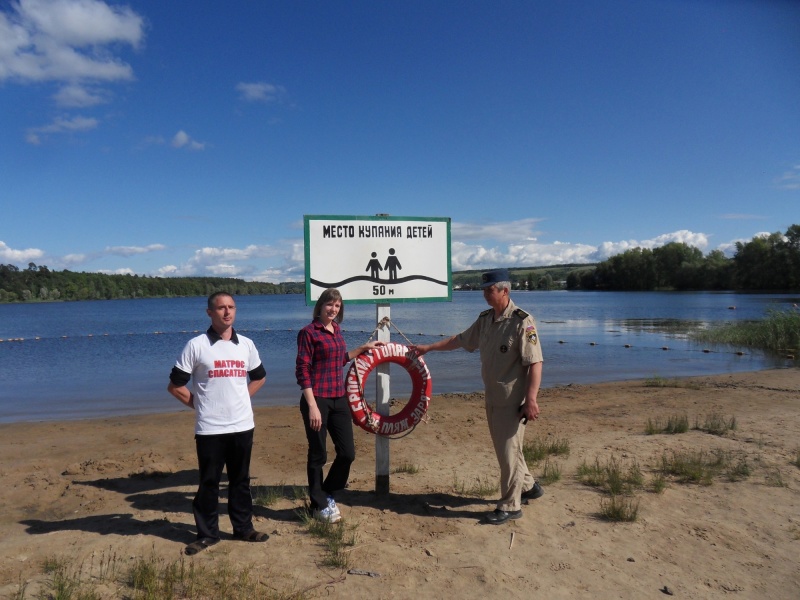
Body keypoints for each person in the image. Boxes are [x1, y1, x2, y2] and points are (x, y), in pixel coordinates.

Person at [412, 268, 544, 525]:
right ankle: (529, 486)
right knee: (508, 448)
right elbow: (459, 340)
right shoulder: (485, 319)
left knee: (508, 452)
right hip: (493, 396)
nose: (484, 294)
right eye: (484, 289)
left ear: (504, 291)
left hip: (512, 400)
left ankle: (510, 505)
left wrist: (531, 399)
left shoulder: (523, 321)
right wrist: (428, 348)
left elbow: (535, 362)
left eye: (489, 289)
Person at [167, 292, 269, 555]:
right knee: (209, 482)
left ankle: (244, 529)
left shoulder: (246, 344)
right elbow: (175, 386)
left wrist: (242, 398)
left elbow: (259, 377)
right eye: (221, 308)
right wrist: (199, 404)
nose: (227, 312)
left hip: (242, 425)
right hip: (210, 428)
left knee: (240, 481)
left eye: (231, 307)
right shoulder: (196, 345)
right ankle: (207, 534)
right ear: (209, 313)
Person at [296, 288, 384, 523]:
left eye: (337, 306)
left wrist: (362, 350)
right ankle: (318, 504)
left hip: (339, 398)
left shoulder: (336, 330)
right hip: (317, 400)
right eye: (329, 305)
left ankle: (326, 492)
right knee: (318, 454)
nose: (333, 309)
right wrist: (312, 405)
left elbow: (339, 359)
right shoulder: (308, 333)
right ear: (320, 306)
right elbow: (303, 370)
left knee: (347, 453)